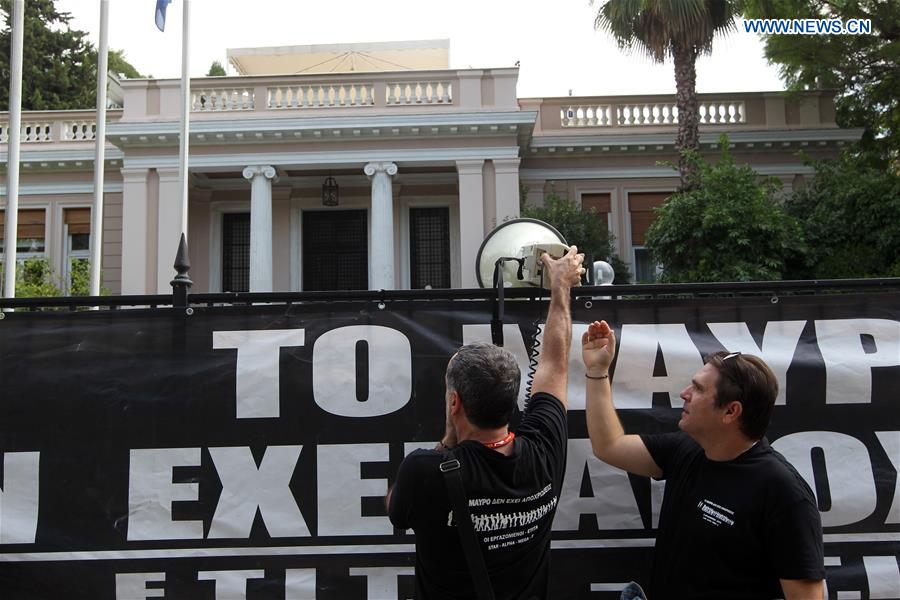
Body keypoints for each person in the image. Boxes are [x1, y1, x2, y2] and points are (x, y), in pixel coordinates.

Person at [386, 246, 584, 599]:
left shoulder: (424, 471)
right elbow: (554, 365)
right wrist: (561, 286)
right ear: (511, 399)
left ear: (454, 402)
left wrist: (448, 439)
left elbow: (395, 510)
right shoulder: (544, 452)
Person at [582, 320, 825, 600]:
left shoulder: (783, 494)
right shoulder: (688, 449)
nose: (684, 393)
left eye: (697, 389)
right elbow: (609, 446)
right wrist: (598, 371)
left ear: (730, 411)